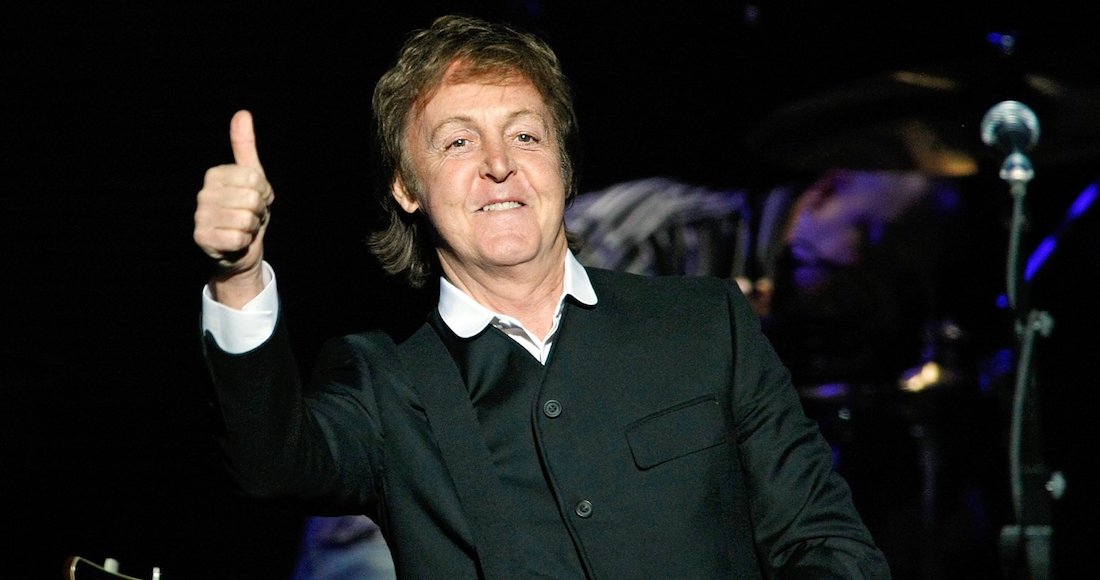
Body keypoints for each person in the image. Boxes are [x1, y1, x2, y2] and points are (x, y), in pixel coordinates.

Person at [192, 14, 891, 578]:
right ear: (407, 189)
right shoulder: (384, 382)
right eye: (457, 143)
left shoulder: (706, 323)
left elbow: (828, 544)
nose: (499, 164)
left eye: (525, 134)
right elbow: (269, 463)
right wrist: (238, 274)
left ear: (562, 164)